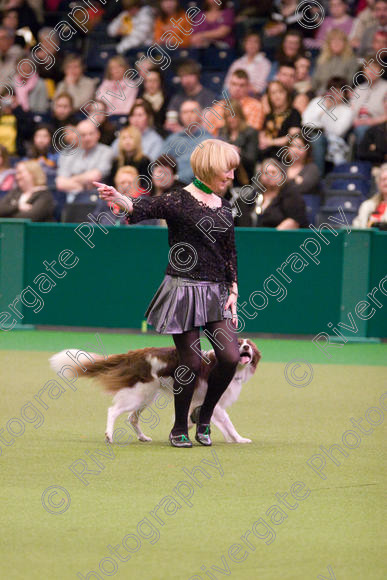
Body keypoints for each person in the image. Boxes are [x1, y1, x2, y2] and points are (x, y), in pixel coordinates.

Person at [94, 138, 241, 448]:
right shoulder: (179, 199)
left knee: (229, 357)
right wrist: (121, 198)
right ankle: (178, 429)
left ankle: (204, 418)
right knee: (191, 361)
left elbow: (229, 252)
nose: (231, 176)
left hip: (218, 292)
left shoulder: (226, 206)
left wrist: (234, 289)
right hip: (183, 290)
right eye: (228, 169)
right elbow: (143, 207)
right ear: (211, 167)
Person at [235, 157, 308, 228]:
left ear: (282, 175)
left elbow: (293, 222)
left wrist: (272, 237)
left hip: (281, 237)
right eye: (266, 173)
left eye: (273, 172)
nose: (270, 176)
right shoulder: (253, 195)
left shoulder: (291, 194)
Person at [56, 119, 114, 199]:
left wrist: (71, 179)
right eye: (83, 135)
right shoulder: (69, 154)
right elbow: (60, 183)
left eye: (91, 134)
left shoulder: (106, 152)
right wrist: (82, 186)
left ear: (98, 134)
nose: (87, 138)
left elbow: (95, 176)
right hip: (71, 199)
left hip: (97, 198)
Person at [162, 99, 212, 184]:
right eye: (185, 112)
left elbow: (206, 169)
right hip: (169, 185)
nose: (189, 115)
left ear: (200, 115)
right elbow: (160, 163)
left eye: (192, 112)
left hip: (195, 186)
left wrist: (177, 177)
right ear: (180, 116)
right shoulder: (172, 139)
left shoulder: (209, 141)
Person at [210, 70, 264, 136]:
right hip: (220, 144)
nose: (237, 88)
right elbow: (211, 132)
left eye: (242, 85)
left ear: (248, 87)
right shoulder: (218, 106)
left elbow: (252, 133)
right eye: (234, 84)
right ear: (229, 85)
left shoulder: (255, 106)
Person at [218, 99, 258, 186]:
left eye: (233, 115)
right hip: (224, 174)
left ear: (240, 115)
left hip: (245, 174)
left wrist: (238, 152)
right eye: (227, 116)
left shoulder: (250, 132)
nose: (230, 119)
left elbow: (251, 159)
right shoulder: (222, 131)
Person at [258, 80, 301, 159]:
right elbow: (262, 135)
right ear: (269, 97)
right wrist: (263, 141)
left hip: (283, 155)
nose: (277, 96)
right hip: (265, 153)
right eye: (273, 93)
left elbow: (292, 138)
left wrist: (271, 142)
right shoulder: (269, 115)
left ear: (286, 94)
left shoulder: (294, 113)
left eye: (280, 92)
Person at [312, 29, 359, 95]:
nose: (336, 43)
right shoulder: (322, 60)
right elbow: (315, 81)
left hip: (339, 96)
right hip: (320, 94)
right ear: (328, 43)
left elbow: (350, 83)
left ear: (345, 43)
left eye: (340, 40)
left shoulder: (351, 60)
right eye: (333, 40)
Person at [224, 31, 271, 96]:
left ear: (260, 45)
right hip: (233, 96)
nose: (252, 44)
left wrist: (242, 88)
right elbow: (227, 85)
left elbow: (260, 89)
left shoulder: (265, 64)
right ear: (244, 44)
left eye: (255, 42)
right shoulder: (237, 63)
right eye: (249, 41)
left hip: (254, 97)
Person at [352, 163, 387, 227]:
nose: (386, 182)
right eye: (383, 179)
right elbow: (357, 227)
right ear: (378, 183)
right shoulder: (367, 205)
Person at [358, 93, 387, 164]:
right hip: (376, 168)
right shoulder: (373, 131)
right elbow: (361, 153)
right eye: (386, 100)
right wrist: (382, 156)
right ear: (383, 104)